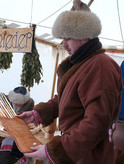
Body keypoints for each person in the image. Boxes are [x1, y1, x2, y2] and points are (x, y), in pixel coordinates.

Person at [17, 0, 122, 164]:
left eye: (68, 38)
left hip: (90, 157)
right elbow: (67, 99)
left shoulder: (100, 66)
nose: (63, 44)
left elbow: (96, 123)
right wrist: (37, 114)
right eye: (61, 38)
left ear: (84, 35)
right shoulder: (81, 64)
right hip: (78, 154)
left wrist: (54, 150)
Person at [0, 86, 34, 164]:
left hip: (18, 129)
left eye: (18, 103)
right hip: (4, 127)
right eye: (14, 102)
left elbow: (27, 118)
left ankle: (13, 157)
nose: (15, 104)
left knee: (15, 144)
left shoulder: (30, 103)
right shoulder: (6, 99)